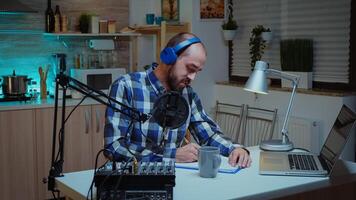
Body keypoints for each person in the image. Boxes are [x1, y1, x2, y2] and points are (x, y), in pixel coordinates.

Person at [104, 32, 251, 168]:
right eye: (190, 68)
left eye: (197, 71)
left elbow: (209, 135)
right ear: (169, 57)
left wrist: (235, 149)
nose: (192, 77)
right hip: (135, 181)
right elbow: (114, 147)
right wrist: (170, 156)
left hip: (175, 181)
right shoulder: (127, 86)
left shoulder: (188, 94)